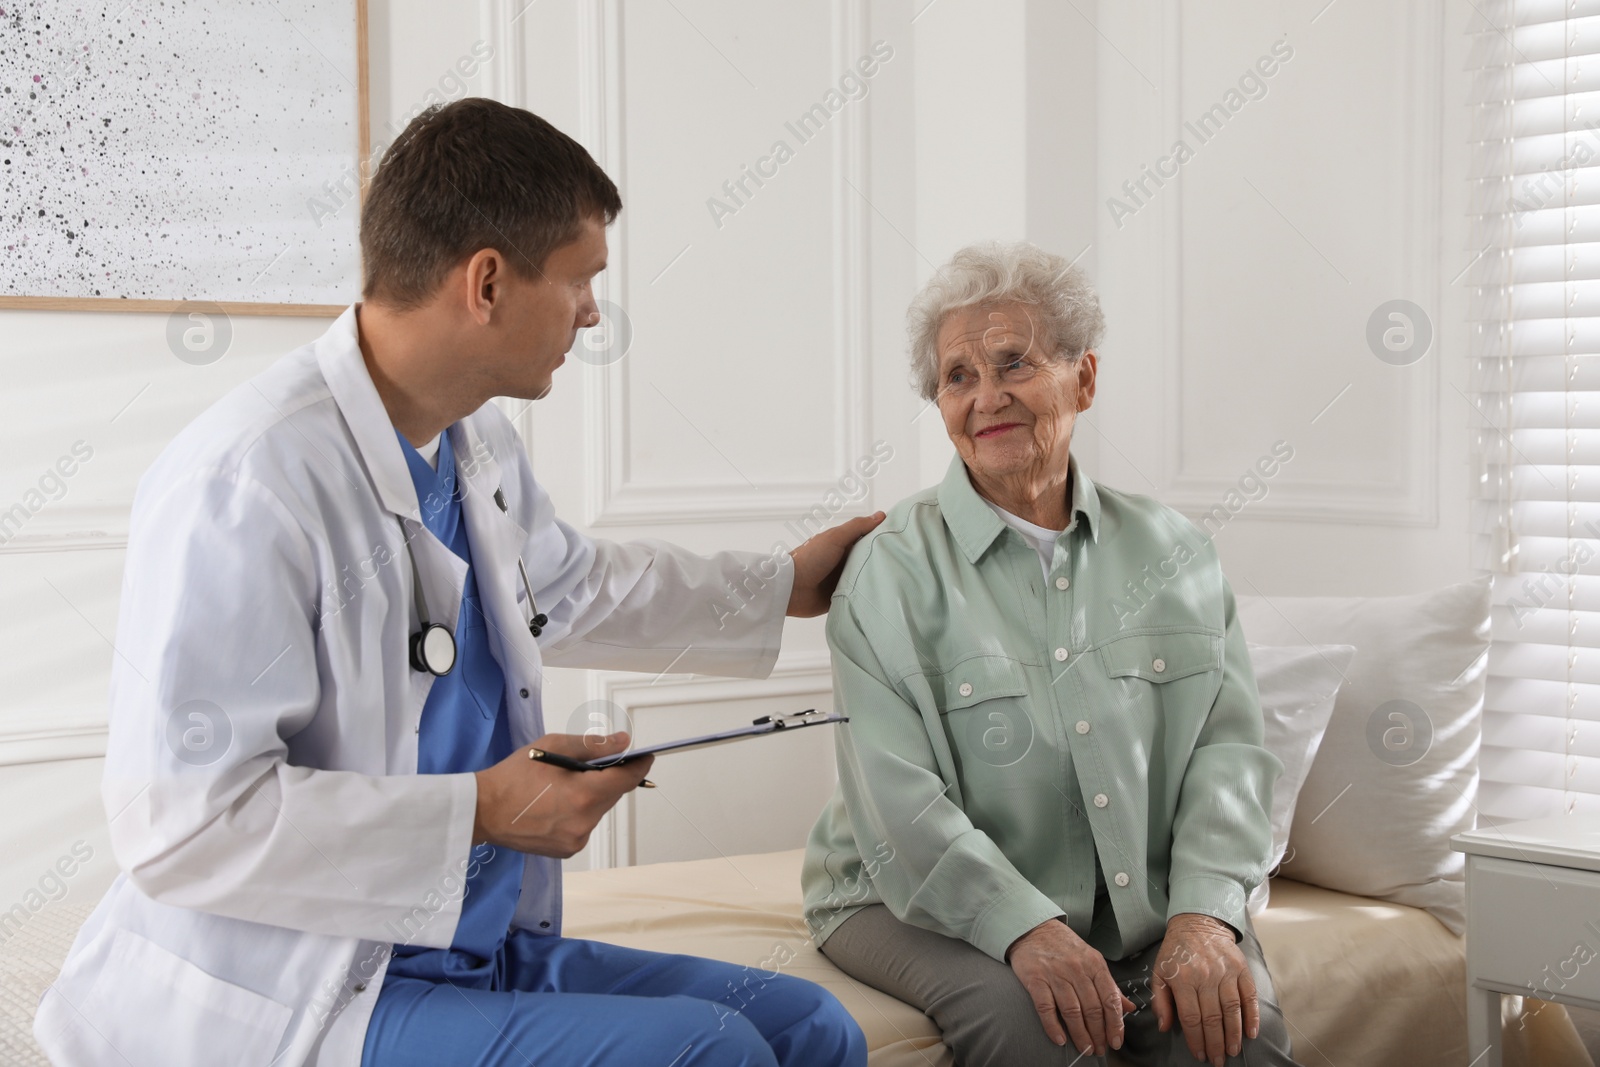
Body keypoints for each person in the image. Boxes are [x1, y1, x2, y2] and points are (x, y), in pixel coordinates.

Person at [34, 98, 876, 1067]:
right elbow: (183, 824)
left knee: (810, 1025)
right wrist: (479, 809)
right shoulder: (247, 479)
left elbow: (567, 582)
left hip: (467, 944)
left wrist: (782, 585)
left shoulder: (470, 437)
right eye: (580, 280)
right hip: (307, 982)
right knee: (705, 1047)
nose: (593, 311)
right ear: (486, 282)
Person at [800, 241, 1300, 1067]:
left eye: (1014, 363)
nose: (986, 397)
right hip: (904, 896)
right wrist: (1023, 927)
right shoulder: (887, 572)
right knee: (1042, 1030)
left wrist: (1206, 914)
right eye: (958, 377)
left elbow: (1230, 752)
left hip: (1144, 907)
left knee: (1237, 1037)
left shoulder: (1177, 553)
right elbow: (901, 805)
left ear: (1085, 380)